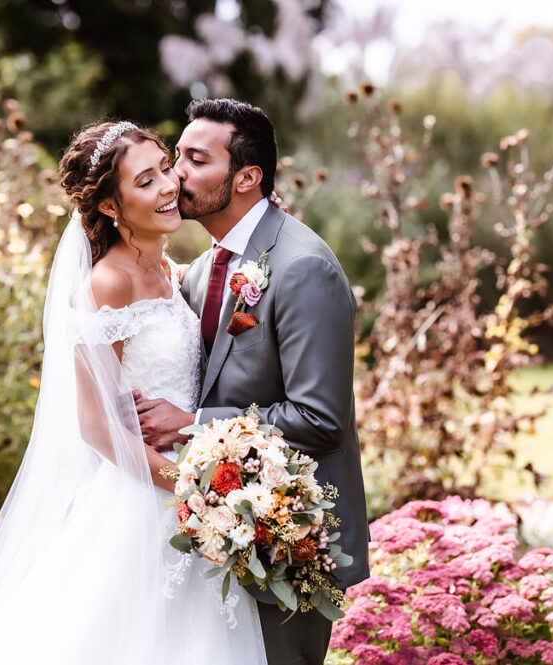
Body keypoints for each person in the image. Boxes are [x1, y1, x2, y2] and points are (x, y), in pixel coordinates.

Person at [0, 121, 267, 665]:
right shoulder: (108, 283)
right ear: (112, 207)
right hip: (146, 503)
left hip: (193, 499)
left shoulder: (166, 267)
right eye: (146, 181)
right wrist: (192, 489)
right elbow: (94, 427)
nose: (169, 186)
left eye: (165, 168)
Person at [135, 98, 371, 665]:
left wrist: (191, 426)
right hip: (216, 528)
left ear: (246, 177)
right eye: (175, 159)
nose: (176, 175)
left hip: (288, 539)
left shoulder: (302, 267)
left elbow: (320, 419)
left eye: (195, 160)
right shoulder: (205, 267)